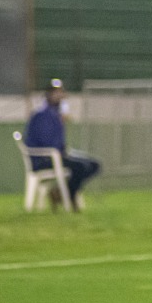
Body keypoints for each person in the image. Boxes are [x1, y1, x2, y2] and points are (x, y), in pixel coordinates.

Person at [24, 79, 101, 210]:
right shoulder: (41, 114)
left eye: (60, 92)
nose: (58, 95)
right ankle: (67, 196)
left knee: (94, 165)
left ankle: (59, 193)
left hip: (58, 155)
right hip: (44, 159)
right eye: (55, 93)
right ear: (48, 95)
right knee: (80, 167)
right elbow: (45, 141)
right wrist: (59, 151)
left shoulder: (56, 113)